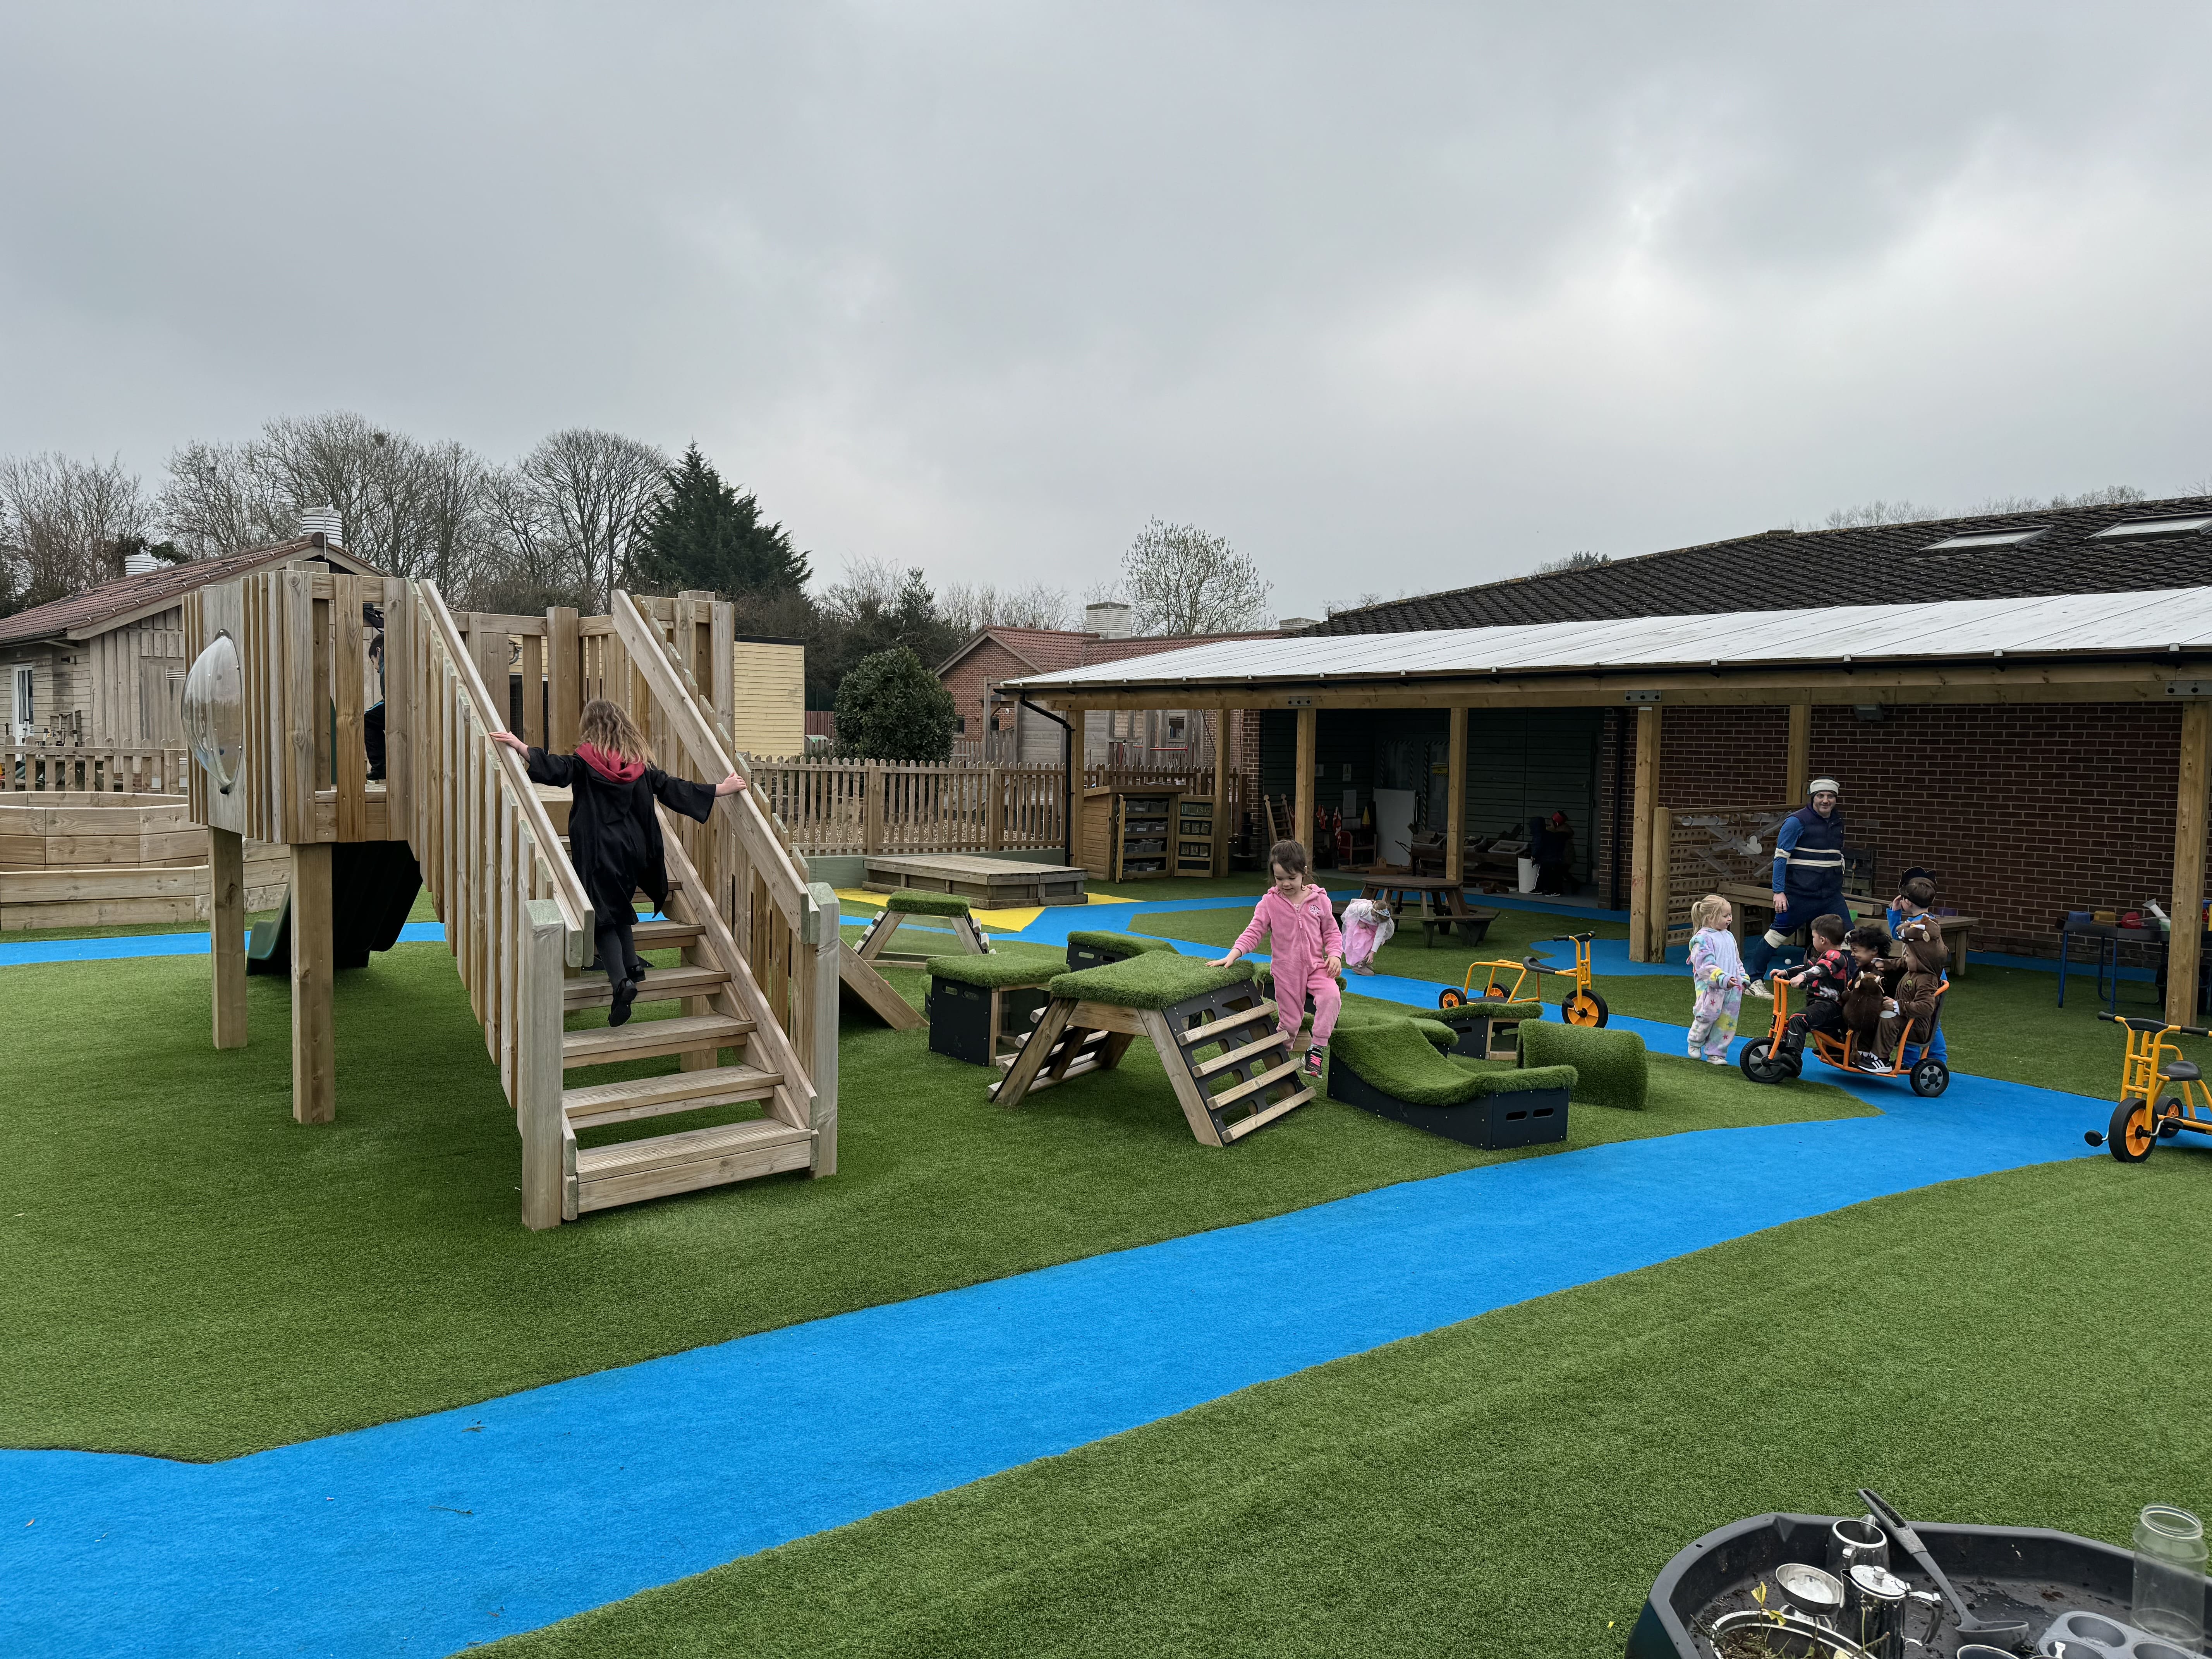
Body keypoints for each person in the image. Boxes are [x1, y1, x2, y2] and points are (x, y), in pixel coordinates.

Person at [491, 699, 748, 1027]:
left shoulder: (585, 761)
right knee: (617, 904)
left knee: (601, 918)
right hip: (634, 849)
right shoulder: (640, 765)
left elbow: (558, 769)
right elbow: (672, 788)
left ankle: (621, 984)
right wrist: (720, 789)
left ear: (591, 727)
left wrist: (521, 747)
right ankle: (633, 966)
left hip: (600, 849)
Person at [1209, 838, 1344, 1081]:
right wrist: (1234, 953)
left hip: (1317, 967)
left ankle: (1317, 1049)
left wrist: (1334, 955)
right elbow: (1254, 931)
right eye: (1279, 878)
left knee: (1332, 997)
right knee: (1291, 1023)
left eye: (1291, 878)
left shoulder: (1320, 901)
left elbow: (1332, 932)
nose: (1285, 884)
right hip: (1287, 972)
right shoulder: (1270, 903)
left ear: (1304, 873)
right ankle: (1280, 1063)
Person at [1744, 778, 1851, 996]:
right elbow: (1781, 858)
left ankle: (1850, 984)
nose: (1826, 800)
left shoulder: (1837, 822)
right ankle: (1753, 981)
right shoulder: (1796, 822)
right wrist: (1779, 891)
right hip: (1799, 894)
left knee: (1849, 937)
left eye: (1830, 796)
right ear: (1813, 798)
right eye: (1821, 796)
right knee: (1777, 935)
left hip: (1830, 895)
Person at [1884, 870, 1950, 1064]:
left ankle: (1928, 1060)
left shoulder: (1920, 925)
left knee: (1924, 1019)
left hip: (1929, 978)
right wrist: (1896, 911)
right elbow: (1899, 934)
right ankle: (1929, 1059)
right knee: (1925, 1019)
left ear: (1908, 902)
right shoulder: (1921, 921)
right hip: (1926, 976)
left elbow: (1898, 934)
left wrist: (1895, 912)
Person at [1774, 913, 1850, 1071]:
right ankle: (1836, 1050)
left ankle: (1794, 1058)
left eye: (1814, 937)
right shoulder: (1824, 956)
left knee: (1798, 1020)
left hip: (1831, 1006)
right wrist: (1787, 973)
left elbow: (1821, 970)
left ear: (1823, 940)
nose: (1813, 940)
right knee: (1798, 1021)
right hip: (1820, 1004)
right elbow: (1810, 968)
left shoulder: (1835, 957)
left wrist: (1803, 977)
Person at [1686, 893, 1751, 1065]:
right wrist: (1722, 979)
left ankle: (1716, 1053)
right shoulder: (1703, 939)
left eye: (1730, 915)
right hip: (1712, 988)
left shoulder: (1729, 936)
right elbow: (1704, 966)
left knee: (1727, 1022)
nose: (1730, 919)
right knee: (1707, 1016)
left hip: (1732, 989)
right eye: (1725, 916)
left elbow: (1736, 960)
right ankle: (1695, 1042)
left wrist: (1742, 978)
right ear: (1710, 917)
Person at [1339, 896, 1395, 975]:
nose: (1377, 922)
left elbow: (1379, 936)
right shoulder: (1362, 909)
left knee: (1373, 941)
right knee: (1362, 941)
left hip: (1370, 927)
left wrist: (1372, 953)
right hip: (1357, 923)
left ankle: (1363, 962)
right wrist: (1359, 922)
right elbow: (1350, 911)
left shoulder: (1383, 920)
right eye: (1375, 920)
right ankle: (1357, 965)